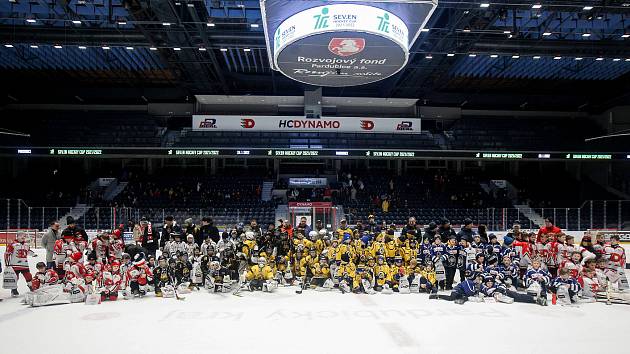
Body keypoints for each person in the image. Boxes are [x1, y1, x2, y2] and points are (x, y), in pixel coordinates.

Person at [4, 231, 36, 296]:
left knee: (28, 276)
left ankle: (31, 287)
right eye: (21, 235)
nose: (23, 237)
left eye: (24, 236)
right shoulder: (12, 244)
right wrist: (7, 264)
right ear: (17, 236)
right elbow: (7, 254)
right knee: (15, 277)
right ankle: (14, 289)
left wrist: (33, 254)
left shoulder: (26, 245)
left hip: (24, 264)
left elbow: (28, 251)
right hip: (14, 264)